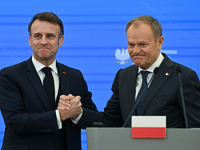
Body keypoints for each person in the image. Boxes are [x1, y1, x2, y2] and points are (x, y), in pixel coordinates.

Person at [58, 15, 200, 128]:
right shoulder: (124, 76)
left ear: (160, 42)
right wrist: (78, 113)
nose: (136, 51)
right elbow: (110, 120)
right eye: (131, 44)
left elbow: (195, 129)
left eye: (143, 44)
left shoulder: (183, 77)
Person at [0, 12, 97, 150]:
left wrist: (77, 113)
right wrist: (60, 115)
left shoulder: (75, 76)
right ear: (30, 40)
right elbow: (15, 121)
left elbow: (95, 120)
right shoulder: (9, 75)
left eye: (50, 36)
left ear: (60, 40)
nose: (43, 41)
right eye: (38, 36)